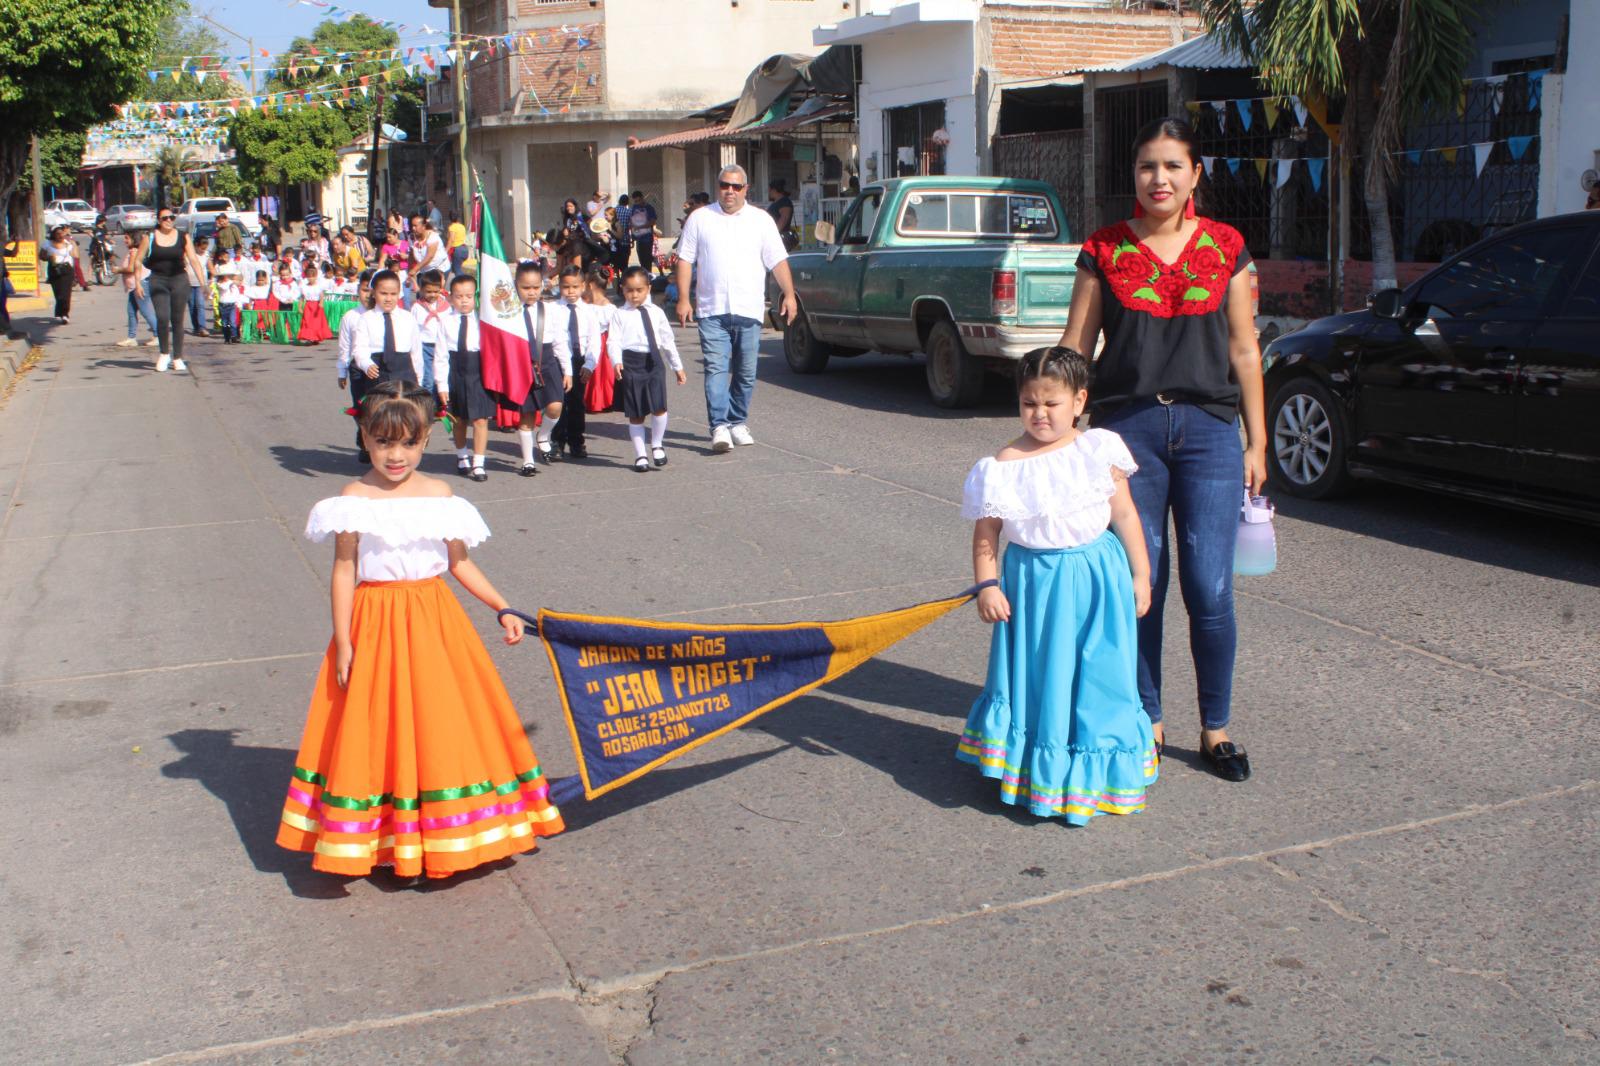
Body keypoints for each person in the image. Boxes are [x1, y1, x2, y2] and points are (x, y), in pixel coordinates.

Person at [277, 380, 565, 879]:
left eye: (408, 443)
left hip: (435, 622)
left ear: (426, 440)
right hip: (373, 621)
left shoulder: (441, 495)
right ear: (364, 438)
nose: (396, 455)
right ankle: (384, 836)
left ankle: (448, 832)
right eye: (384, 442)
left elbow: (460, 563)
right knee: (377, 725)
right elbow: (345, 568)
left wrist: (503, 606)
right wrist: (343, 641)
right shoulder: (353, 498)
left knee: (441, 723)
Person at [1056, 116, 1266, 783]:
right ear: (1135, 176)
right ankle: (1144, 717)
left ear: (1196, 174)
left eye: (1174, 166)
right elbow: (1075, 344)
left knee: (1210, 588)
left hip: (1210, 435)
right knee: (1138, 586)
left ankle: (1216, 727)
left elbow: (1243, 348)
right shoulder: (1105, 249)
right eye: (1148, 166)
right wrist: (1054, 429)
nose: (1160, 179)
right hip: (1127, 436)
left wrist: (1258, 441)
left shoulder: (1227, 247)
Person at [957, 347, 1157, 824]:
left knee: (1102, 674)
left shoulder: (1098, 449)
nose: (1040, 414)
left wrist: (1141, 574)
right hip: (1036, 587)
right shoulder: (1002, 465)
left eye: (1052, 403)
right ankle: (1040, 773)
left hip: (1099, 580)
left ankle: (1101, 771)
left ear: (1079, 401)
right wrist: (987, 585)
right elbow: (987, 533)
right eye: (1029, 403)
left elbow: (1125, 514)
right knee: (1044, 678)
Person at [674, 164, 798, 453]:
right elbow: (684, 260)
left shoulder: (761, 220)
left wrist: (789, 295)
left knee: (745, 370)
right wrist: (683, 298)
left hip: (748, 308)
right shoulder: (700, 218)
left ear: (746, 189)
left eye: (736, 186)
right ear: (718, 186)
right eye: (724, 185)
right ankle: (719, 425)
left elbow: (777, 260)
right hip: (711, 308)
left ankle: (737, 421)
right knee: (717, 368)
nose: (729, 191)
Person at [610, 266, 686, 472]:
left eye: (639, 290)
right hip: (630, 363)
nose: (634, 295)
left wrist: (677, 366)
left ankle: (657, 444)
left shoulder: (657, 313)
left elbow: (668, 341)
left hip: (653, 362)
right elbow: (613, 340)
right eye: (629, 290)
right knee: (636, 412)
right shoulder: (619, 314)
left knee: (659, 407)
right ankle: (640, 454)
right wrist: (616, 361)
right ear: (622, 290)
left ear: (648, 289)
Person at [504, 259, 570, 475]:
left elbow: (560, 340)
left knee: (555, 406)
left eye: (536, 287)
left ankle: (544, 435)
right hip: (522, 365)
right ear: (516, 286)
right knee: (527, 416)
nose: (531, 292)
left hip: (548, 361)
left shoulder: (550, 310)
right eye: (526, 288)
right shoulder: (509, 312)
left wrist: (567, 369)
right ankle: (528, 461)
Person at [132, 208, 210, 372]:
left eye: (171, 217)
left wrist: (203, 283)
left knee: (177, 319)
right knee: (162, 317)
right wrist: (137, 282)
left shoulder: (183, 237)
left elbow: (194, 260)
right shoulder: (150, 237)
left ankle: (177, 357)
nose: (169, 220)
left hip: (179, 279)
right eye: (165, 218)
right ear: (159, 220)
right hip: (158, 280)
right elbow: (138, 260)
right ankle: (164, 353)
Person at [441, 273, 494, 480]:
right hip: (455, 371)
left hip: (478, 371)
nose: (464, 300)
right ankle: (462, 455)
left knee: (480, 419)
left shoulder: (483, 321)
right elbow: (440, 356)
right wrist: (442, 385)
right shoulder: (446, 323)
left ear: (475, 297)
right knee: (459, 419)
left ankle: (479, 462)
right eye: (459, 296)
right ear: (450, 298)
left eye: (469, 296)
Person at [547, 265, 603, 460]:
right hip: (559, 361)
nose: (570, 291)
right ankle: (556, 442)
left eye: (575, 287)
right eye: (565, 287)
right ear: (559, 286)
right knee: (558, 401)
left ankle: (577, 441)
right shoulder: (553, 309)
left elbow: (595, 340)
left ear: (583, 286)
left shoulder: (589, 311)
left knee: (577, 403)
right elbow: (555, 339)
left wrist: (590, 365)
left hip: (580, 360)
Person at [337, 270, 377, 460]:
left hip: (378, 366)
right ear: (358, 291)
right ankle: (364, 443)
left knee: (378, 407)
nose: (368, 295)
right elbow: (344, 346)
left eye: (371, 290)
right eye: (364, 290)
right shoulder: (350, 316)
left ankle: (377, 443)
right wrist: (342, 371)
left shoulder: (383, 314)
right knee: (360, 407)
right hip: (357, 368)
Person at [114, 233, 160, 348]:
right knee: (131, 312)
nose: (125, 240)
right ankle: (131, 338)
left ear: (134, 239)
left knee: (146, 311)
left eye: (127, 238)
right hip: (133, 286)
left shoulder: (134, 251)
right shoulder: (132, 251)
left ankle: (158, 335)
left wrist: (118, 269)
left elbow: (131, 268)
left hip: (139, 284)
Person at [410, 268, 450, 396]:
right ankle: (428, 405)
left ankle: (442, 405)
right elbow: (413, 329)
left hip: (442, 346)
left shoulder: (445, 307)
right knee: (428, 378)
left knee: (442, 376)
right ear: (421, 290)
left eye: (435, 291)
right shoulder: (417, 307)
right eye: (428, 292)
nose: (432, 295)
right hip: (425, 346)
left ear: (440, 289)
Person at [40, 226, 79, 323]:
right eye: (58, 233)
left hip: (67, 269)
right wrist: (49, 257)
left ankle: (65, 314)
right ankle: (58, 313)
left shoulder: (68, 244)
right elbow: (41, 256)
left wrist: (73, 243)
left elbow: (75, 256)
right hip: (54, 269)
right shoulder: (47, 244)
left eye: (62, 233)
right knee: (58, 293)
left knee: (66, 293)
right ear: (53, 234)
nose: (60, 235)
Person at [297, 263, 334, 344]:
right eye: (309, 277)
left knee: (316, 323)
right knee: (307, 321)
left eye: (313, 277)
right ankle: (309, 337)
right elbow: (302, 298)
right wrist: (300, 307)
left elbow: (321, 295)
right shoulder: (304, 287)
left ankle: (316, 337)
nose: (311, 279)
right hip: (308, 306)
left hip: (316, 306)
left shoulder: (319, 286)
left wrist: (321, 303)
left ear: (316, 276)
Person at [628, 190, 658, 279]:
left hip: (647, 238)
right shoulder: (634, 208)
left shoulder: (649, 208)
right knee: (641, 259)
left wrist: (641, 226)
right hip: (638, 238)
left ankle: (649, 278)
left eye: (639, 200)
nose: (637, 203)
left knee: (647, 259)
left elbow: (652, 221)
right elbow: (632, 221)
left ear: (642, 198)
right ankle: (644, 277)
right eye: (635, 201)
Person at [186, 235, 212, 337]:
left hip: (201, 283)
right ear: (196, 245)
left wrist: (211, 281)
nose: (203, 250)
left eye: (205, 248)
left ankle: (202, 327)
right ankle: (196, 327)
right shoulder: (188, 254)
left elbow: (211, 268)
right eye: (202, 248)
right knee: (192, 306)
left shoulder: (206, 255)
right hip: (189, 282)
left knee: (200, 305)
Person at [767, 180, 797, 250]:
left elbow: (784, 219)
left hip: (780, 238)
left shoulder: (784, 202)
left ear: (774, 190)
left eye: (769, 190)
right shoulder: (776, 202)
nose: (768, 192)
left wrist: (772, 235)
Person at [446, 211, 468, 276]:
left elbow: (451, 240)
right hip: (464, 249)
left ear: (450, 218)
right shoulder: (462, 226)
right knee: (455, 269)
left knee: (457, 270)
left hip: (457, 250)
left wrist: (445, 251)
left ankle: (462, 283)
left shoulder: (452, 227)